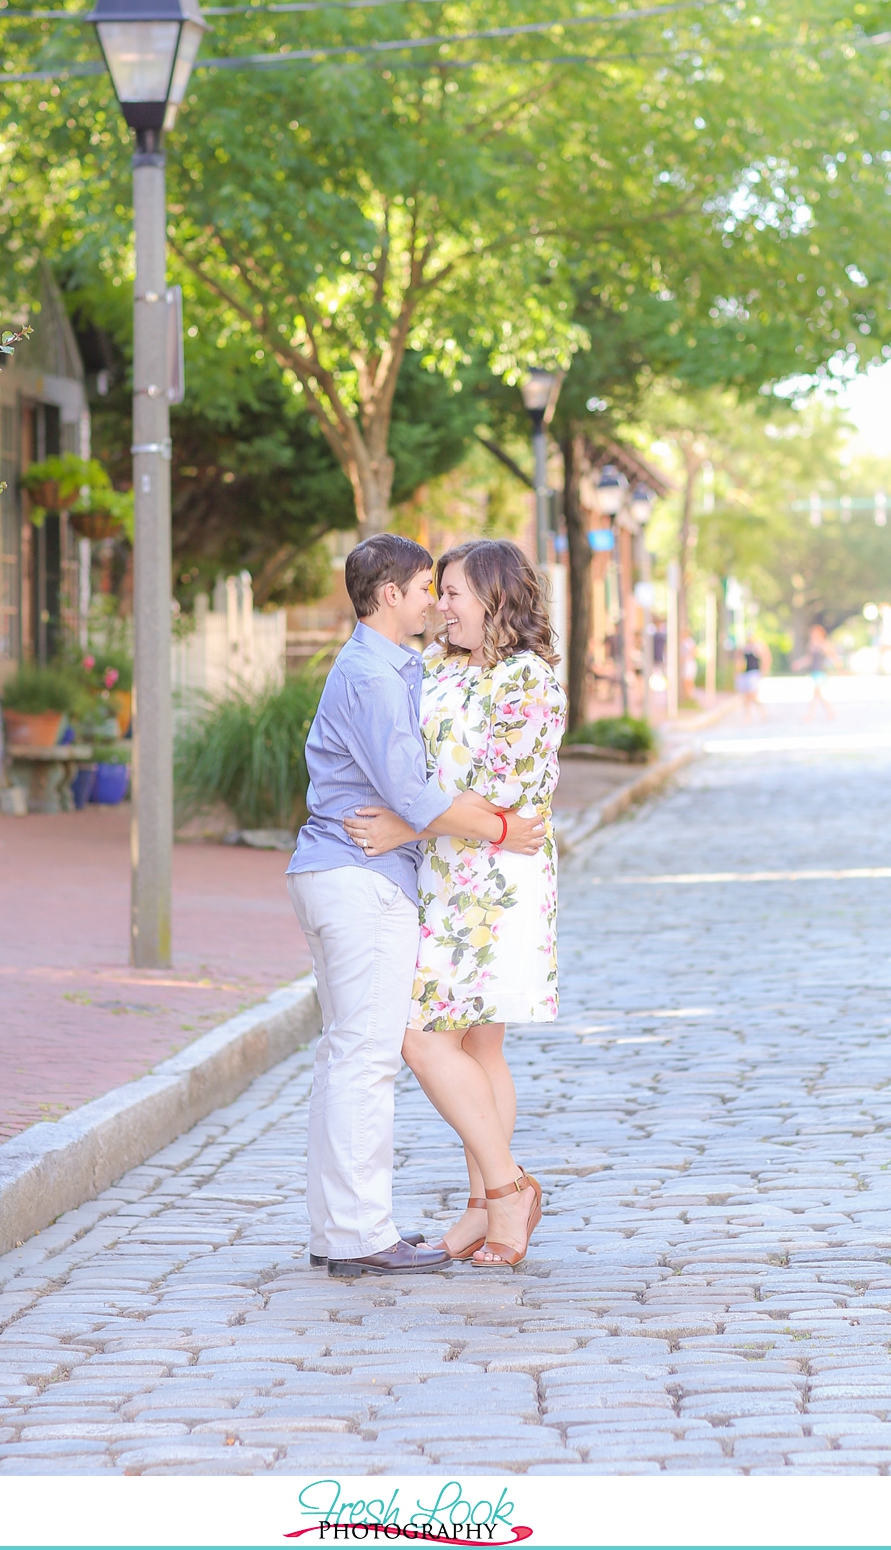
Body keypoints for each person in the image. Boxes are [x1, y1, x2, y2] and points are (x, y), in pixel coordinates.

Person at [286, 533, 545, 1280]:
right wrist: (499, 826)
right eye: (428, 585)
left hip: (358, 871)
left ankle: (340, 1228)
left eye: (446, 587)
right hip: (362, 875)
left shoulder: (401, 667)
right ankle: (363, 1233)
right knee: (367, 1057)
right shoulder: (375, 674)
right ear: (391, 594)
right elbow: (412, 793)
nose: (435, 598)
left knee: (348, 1055)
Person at [793, 622, 838, 721]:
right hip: (814, 672)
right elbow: (808, 659)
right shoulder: (811, 645)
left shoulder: (825, 644)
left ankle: (809, 715)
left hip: (822, 672)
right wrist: (799, 664)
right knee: (819, 695)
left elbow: (833, 657)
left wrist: (838, 668)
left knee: (816, 693)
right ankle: (830, 711)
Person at [735, 634, 770, 721]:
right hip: (745, 673)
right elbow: (739, 661)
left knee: (752, 694)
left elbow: (765, 657)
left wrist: (764, 670)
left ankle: (759, 711)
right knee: (747, 695)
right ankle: (749, 714)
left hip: (754, 673)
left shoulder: (757, 647)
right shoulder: (744, 648)